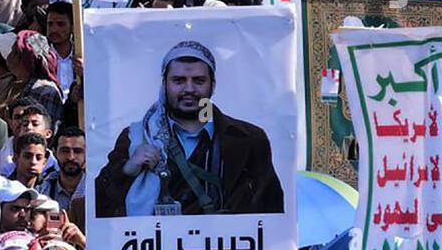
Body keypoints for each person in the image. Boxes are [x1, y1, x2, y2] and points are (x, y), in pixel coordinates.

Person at [95, 40, 285, 217]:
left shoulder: (248, 139)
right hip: (157, 248)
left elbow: (271, 207)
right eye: (178, 80)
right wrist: (128, 169)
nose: (189, 89)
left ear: (213, 85)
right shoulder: (136, 137)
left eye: (199, 81)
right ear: (164, 85)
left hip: (225, 249)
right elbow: (101, 205)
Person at [39, 127, 86, 211]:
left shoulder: (96, 188)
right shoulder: (43, 190)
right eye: (65, 151)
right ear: (54, 153)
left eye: (77, 151)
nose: (71, 157)